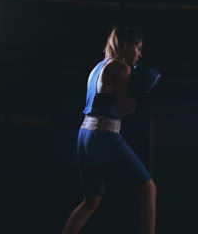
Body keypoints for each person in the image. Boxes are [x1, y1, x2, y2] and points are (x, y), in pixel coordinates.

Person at [62, 26, 159, 234]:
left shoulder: (98, 66)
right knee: (148, 190)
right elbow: (123, 109)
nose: (140, 54)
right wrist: (141, 92)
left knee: (90, 202)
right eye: (138, 48)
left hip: (85, 134)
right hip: (104, 134)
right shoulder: (121, 68)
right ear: (125, 46)